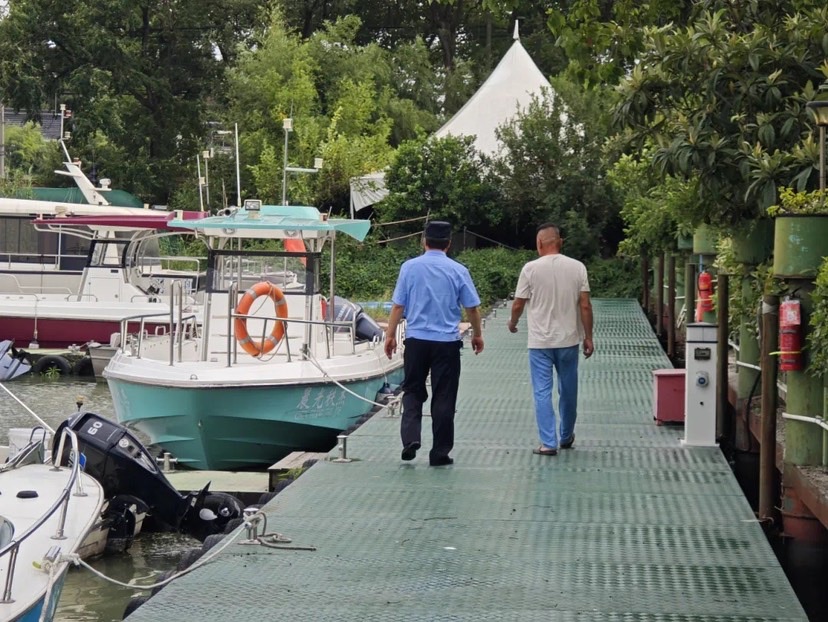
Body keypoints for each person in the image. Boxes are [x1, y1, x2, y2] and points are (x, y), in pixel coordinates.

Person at [384, 221, 484, 466]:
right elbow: (472, 307)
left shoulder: (409, 268)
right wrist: (477, 334)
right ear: (449, 244)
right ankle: (439, 453)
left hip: (417, 341)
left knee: (413, 391)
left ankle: (410, 439)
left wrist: (390, 335)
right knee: (444, 397)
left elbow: (398, 305)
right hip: (446, 343)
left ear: (424, 242)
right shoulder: (458, 270)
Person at [507, 223, 593, 456]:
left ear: (539, 244)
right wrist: (589, 337)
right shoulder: (577, 267)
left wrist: (513, 322)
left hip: (540, 343)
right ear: (560, 242)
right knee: (568, 390)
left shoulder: (530, 269)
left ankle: (548, 442)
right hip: (568, 340)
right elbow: (585, 304)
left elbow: (518, 303)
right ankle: (566, 435)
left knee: (542, 391)